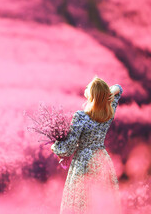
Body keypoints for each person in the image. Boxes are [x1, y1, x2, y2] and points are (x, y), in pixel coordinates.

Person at [51, 76, 123, 214]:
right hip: (101, 159)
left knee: (80, 203)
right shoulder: (109, 114)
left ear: (92, 95)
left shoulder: (81, 116)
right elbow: (119, 89)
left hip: (83, 162)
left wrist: (55, 146)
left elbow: (68, 148)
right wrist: (109, 93)